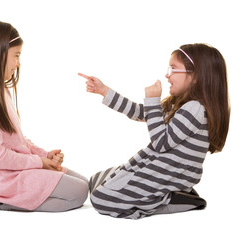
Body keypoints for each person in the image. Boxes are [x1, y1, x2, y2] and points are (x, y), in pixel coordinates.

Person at [78, 43, 230, 219]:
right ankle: (160, 194)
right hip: (157, 169)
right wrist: (104, 91)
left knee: (101, 199)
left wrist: (153, 100)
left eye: (173, 69)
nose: (167, 75)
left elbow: (161, 143)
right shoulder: (177, 104)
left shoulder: (194, 108)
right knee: (95, 180)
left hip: (168, 175)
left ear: (195, 76)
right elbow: (141, 112)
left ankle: (171, 199)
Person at [0, 20, 88, 212]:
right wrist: (39, 163)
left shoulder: (1, 91)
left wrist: (44, 155)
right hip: (1, 177)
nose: (19, 63)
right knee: (79, 193)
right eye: (16, 55)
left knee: (84, 184)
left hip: (14, 166)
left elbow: (16, 140)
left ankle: (14, 196)